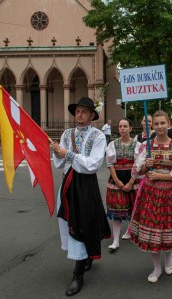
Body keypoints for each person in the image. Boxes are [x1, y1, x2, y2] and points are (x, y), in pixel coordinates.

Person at [50, 97, 111, 296]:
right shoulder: (67, 134)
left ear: (92, 115)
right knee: (70, 224)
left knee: (84, 224)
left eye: (84, 111)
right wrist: (57, 153)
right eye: (77, 111)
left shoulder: (98, 136)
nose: (79, 115)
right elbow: (59, 164)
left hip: (86, 186)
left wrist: (67, 154)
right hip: (68, 184)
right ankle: (83, 259)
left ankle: (78, 275)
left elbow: (93, 164)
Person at [130, 110, 172, 283]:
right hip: (149, 193)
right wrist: (145, 166)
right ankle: (156, 267)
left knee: (167, 229)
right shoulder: (146, 146)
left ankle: (169, 256)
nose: (159, 126)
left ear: (169, 124)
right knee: (151, 231)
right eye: (156, 123)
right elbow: (136, 172)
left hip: (168, 193)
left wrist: (160, 176)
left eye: (162, 123)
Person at [105, 118, 140, 251]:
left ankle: (131, 231)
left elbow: (138, 165)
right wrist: (118, 182)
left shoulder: (137, 145)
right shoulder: (113, 144)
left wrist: (131, 182)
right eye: (120, 126)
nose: (122, 128)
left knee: (133, 208)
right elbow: (110, 164)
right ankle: (115, 241)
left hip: (132, 179)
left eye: (125, 126)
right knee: (116, 211)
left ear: (130, 128)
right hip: (116, 180)